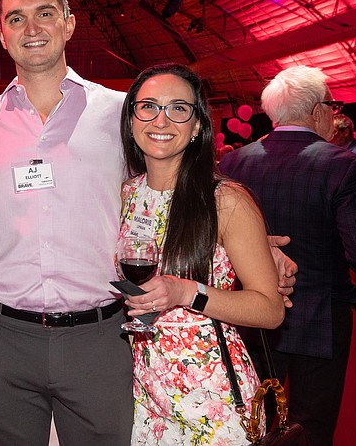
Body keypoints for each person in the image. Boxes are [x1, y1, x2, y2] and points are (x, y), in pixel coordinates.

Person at [0, 0, 296, 446]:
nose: (31, 29)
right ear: (1, 33)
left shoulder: (121, 112)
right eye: (15, 19)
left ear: (69, 23)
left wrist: (249, 245)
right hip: (3, 336)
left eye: (45, 13)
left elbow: (176, 183)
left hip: (100, 337)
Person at [219, 65, 356, 446]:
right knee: (311, 428)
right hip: (321, 318)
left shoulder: (234, 162)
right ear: (317, 110)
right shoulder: (342, 163)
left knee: (254, 423)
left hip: (253, 317)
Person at [118, 64, 284, 443]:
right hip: (147, 397)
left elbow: (271, 310)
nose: (162, 119)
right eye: (148, 107)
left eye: (179, 108)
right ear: (131, 120)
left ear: (197, 126)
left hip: (212, 398)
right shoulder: (128, 193)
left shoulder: (225, 200)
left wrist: (188, 292)